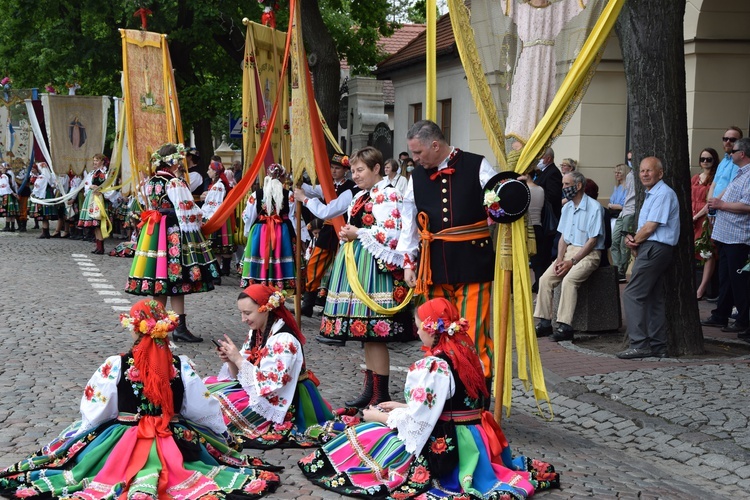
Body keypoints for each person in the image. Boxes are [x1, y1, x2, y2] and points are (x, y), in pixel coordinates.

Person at [0, 299, 282, 499]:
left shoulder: (115, 364)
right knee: (200, 457)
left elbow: (96, 408)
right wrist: (220, 434)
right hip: (171, 433)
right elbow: (201, 407)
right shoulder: (181, 366)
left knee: (82, 459)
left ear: (135, 329)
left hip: (122, 437)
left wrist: (90, 431)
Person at [298, 297, 559, 498]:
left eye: (418, 324)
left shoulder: (435, 366)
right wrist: (402, 405)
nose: (416, 329)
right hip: (476, 435)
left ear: (431, 328)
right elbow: (447, 403)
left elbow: (417, 424)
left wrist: (378, 415)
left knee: (369, 433)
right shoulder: (467, 353)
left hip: (451, 441)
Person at [399, 120, 498, 382]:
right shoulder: (416, 176)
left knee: (472, 330)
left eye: (418, 153)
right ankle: (440, 385)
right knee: (434, 330)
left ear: (435, 144)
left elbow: (500, 205)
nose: (416, 160)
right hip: (432, 267)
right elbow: (409, 219)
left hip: (473, 263)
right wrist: (409, 262)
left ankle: (476, 391)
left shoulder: (477, 165)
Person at [320, 146, 413, 407]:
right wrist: (349, 233)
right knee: (365, 333)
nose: (356, 175)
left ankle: (380, 392)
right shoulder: (362, 195)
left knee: (374, 331)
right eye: (353, 170)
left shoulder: (388, 194)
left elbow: (391, 234)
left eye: (360, 170)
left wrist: (357, 233)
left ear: (376, 169)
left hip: (376, 267)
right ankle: (370, 388)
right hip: (359, 262)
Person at [204, 284, 337, 448]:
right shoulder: (258, 331)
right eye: (241, 313)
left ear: (265, 309)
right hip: (259, 391)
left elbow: (270, 387)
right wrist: (231, 360)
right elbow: (241, 374)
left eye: (247, 313)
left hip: (287, 398)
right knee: (206, 391)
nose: (243, 319)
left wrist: (238, 359)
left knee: (219, 404)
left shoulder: (284, 340)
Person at [126, 142, 219, 343]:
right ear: (174, 162)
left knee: (160, 280)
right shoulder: (175, 183)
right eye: (179, 160)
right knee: (177, 279)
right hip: (173, 233)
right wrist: (205, 217)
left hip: (154, 233)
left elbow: (138, 206)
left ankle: (156, 324)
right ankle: (178, 327)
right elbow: (186, 210)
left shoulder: (149, 183)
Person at [617, 157, 679, 359]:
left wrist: (634, 240)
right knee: (653, 298)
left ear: (660, 173)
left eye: (649, 171)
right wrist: (636, 240)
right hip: (655, 248)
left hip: (655, 248)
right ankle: (658, 346)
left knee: (632, 294)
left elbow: (651, 226)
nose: (644, 174)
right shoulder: (653, 194)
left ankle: (640, 344)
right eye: (642, 170)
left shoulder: (663, 194)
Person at [534, 171, 604, 342]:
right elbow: (563, 238)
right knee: (545, 280)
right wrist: (559, 259)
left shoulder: (595, 207)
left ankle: (565, 326)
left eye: (567, 184)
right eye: (563, 184)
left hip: (588, 254)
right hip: (568, 252)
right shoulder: (567, 207)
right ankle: (544, 322)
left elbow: (592, 241)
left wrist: (572, 261)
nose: (563, 188)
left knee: (569, 281)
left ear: (578, 186)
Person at [293, 153, 359, 319]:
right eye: (332, 168)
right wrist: (297, 178)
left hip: (343, 230)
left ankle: (333, 305)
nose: (334, 171)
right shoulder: (328, 185)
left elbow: (328, 209)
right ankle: (308, 303)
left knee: (340, 267)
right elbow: (313, 190)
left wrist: (305, 198)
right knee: (314, 264)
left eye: (338, 168)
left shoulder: (350, 187)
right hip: (328, 230)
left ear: (346, 170)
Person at [701, 138, 750, 337]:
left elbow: (747, 206)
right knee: (727, 280)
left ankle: (744, 321)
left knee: (740, 283)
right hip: (726, 236)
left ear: (743, 154)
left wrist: (722, 205)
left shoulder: (748, 176)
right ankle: (722, 314)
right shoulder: (740, 173)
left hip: (738, 238)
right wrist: (716, 202)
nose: (730, 153)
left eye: (734, 150)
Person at [241, 163, 298, 291]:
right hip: (281, 231)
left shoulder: (256, 195)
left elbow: (248, 216)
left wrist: (247, 231)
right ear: (282, 178)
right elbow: (293, 217)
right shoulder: (289, 195)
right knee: (279, 257)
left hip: (260, 232)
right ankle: (278, 287)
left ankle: (259, 287)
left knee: (259, 256)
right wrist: (295, 235)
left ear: (267, 176)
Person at [201, 159, 236, 279]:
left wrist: (206, 217)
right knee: (219, 247)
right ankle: (220, 272)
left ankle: (217, 275)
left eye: (209, 169)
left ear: (215, 172)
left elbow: (214, 204)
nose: (207, 171)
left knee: (216, 248)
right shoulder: (219, 184)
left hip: (216, 217)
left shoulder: (218, 186)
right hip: (219, 217)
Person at [692, 147, 719, 300]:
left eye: (709, 159)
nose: (705, 162)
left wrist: (697, 217)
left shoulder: (715, 179)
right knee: (694, 251)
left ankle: (702, 289)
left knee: (707, 252)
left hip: (705, 219)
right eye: (703, 159)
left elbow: (709, 203)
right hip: (693, 217)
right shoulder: (696, 177)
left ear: (714, 160)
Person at [77, 153, 109, 254]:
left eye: (97, 160)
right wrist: (90, 187)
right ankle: (98, 246)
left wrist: (100, 190)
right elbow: (87, 184)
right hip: (91, 197)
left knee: (98, 223)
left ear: (102, 162)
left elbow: (108, 185)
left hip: (98, 198)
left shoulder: (105, 173)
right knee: (94, 225)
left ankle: (101, 247)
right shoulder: (93, 173)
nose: (95, 162)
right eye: (94, 160)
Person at [611, 157, 636, 282]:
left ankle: (621, 272)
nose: (616, 175)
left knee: (623, 243)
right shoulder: (619, 185)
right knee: (614, 241)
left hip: (629, 211)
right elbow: (612, 201)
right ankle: (616, 269)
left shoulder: (633, 176)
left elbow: (618, 203)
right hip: (622, 214)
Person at [707, 126, 743, 201]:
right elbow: (714, 185)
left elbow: (731, 186)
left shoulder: (739, 162)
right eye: (725, 139)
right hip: (713, 208)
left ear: (740, 142)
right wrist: (710, 202)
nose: (728, 142)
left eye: (732, 139)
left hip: (723, 206)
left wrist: (715, 202)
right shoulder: (723, 161)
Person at [526, 170, 546, 290]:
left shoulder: (524, 190)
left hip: (527, 227)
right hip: (538, 226)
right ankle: (538, 285)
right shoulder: (540, 189)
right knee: (538, 260)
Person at [28, 162, 58, 239]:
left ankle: (45, 233)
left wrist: (33, 193)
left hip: (43, 196)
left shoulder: (42, 177)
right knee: (44, 216)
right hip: (47, 194)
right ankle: (45, 232)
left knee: (43, 215)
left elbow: (38, 187)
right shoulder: (49, 175)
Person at [0, 162, 19, 232]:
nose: (0, 169)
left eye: (1, 167)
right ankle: (12, 226)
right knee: (12, 211)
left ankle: (8, 226)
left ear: (5, 168)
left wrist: (13, 193)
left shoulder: (4, 176)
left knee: (8, 211)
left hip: (8, 193)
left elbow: (6, 186)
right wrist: (15, 193)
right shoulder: (10, 175)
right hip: (12, 192)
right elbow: (14, 184)